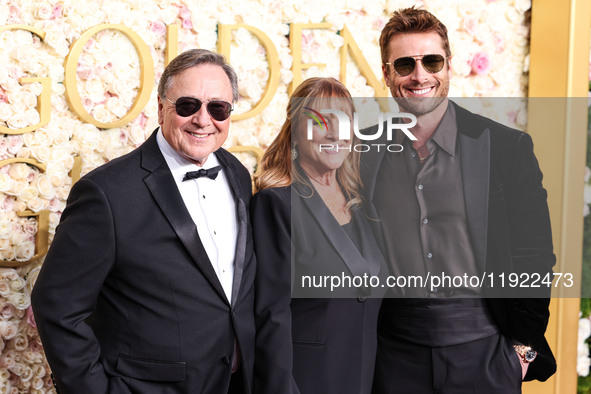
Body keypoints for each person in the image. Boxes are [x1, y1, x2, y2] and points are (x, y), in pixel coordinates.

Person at [31, 49, 255, 394]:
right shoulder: (107, 192)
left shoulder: (238, 174)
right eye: (187, 105)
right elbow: (56, 306)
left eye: (218, 108)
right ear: (162, 107)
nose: (203, 119)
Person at [361, 7, 557, 393]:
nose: (419, 75)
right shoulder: (363, 152)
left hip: (487, 354)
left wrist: (521, 351)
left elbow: (535, 254)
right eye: (404, 64)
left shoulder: (505, 148)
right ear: (387, 75)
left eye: (431, 61)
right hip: (393, 356)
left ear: (448, 66)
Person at [251, 77, 388, 394]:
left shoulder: (363, 204)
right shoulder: (276, 205)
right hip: (306, 383)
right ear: (296, 132)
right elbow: (270, 318)